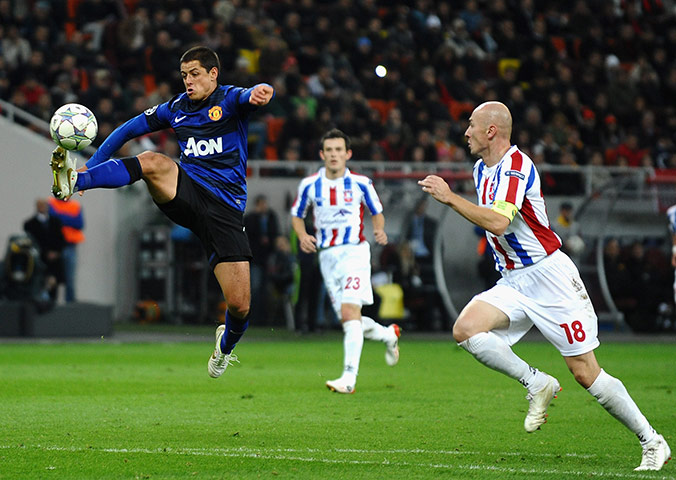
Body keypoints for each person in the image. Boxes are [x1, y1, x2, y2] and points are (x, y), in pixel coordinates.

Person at [418, 101, 670, 471]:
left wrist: (450, 198)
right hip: (515, 280)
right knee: (466, 329)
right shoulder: (479, 168)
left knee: (585, 372)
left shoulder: (517, 167)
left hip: (550, 278)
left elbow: (500, 222)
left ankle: (652, 441)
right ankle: (536, 382)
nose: (466, 132)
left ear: (491, 131)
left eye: (472, 126)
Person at [49, 45, 274, 379]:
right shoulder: (176, 108)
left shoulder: (228, 99)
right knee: (154, 161)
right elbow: (128, 130)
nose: (188, 81)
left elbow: (247, 96)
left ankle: (224, 347)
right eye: (184, 75)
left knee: (240, 306)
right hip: (187, 193)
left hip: (225, 210)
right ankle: (77, 180)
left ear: (213, 73)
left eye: (195, 74)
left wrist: (259, 93)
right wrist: (88, 168)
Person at [291, 128, 401, 394]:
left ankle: (349, 378)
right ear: (322, 154)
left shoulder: (361, 183)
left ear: (348, 154)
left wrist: (379, 229)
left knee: (350, 313)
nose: (334, 155)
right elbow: (297, 214)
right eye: (329, 150)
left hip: (354, 252)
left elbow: (377, 211)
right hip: (327, 256)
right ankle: (389, 335)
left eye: (339, 150)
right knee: (349, 319)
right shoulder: (310, 185)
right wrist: (303, 234)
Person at [244, 194, 280, 325]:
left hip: (268, 259)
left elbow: (275, 234)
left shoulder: (271, 217)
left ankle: (265, 318)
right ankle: (253, 318)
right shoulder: (250, 218)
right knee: (255, 288)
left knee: (266, 289)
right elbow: (248, 236)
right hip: (255, 259)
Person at [23, 198, 65, 302]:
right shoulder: (30, 224)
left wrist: (56, 252)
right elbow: (32, 241)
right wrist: (45, 252)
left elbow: (61, 239)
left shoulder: (56, 222)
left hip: (54, 259)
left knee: (53, 283)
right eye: (40, 205)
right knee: (39, 282)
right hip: (39, 259)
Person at [48, 197, 84, 302]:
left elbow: (79, 223)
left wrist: (61, 216)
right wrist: (70, 218)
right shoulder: (52, 203)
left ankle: (70, 303)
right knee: (53, 276)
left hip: (70, 246)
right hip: (55, 247)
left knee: (70, 278)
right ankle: (51, 303)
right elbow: (53, 218)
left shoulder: (75, 206)